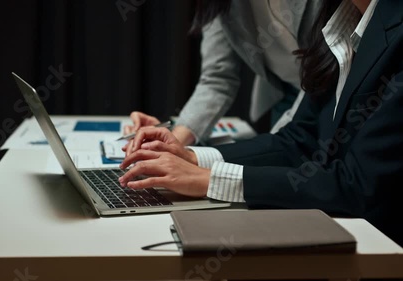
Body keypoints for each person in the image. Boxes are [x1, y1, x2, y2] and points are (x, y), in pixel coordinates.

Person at [119, 0, 403, 245]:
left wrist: (210, 179)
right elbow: (299, 140)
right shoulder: (341, 20)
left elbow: (358, 185)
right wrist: (192, 158)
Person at [125, 0, 322, 145]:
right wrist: (175, 141)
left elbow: (325, 68)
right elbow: (217, 79)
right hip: (287, 94)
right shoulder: (219, 4)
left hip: (329, 88)